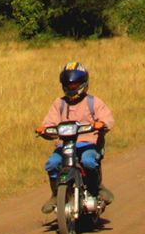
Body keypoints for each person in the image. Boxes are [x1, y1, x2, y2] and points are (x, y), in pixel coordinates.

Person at [36, 61, 115, 214]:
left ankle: (96, 189)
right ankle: (55, 195)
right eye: (68, 84)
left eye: (75, 84)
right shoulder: (59, 104)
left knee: (88, 161)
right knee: (52, 164)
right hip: (64, 146)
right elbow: (49, 124)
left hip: (88, 144)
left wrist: (101, 124)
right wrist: (43, 130)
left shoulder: (93, 102)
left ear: (83, 83)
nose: (71, 87)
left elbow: (108, 120)